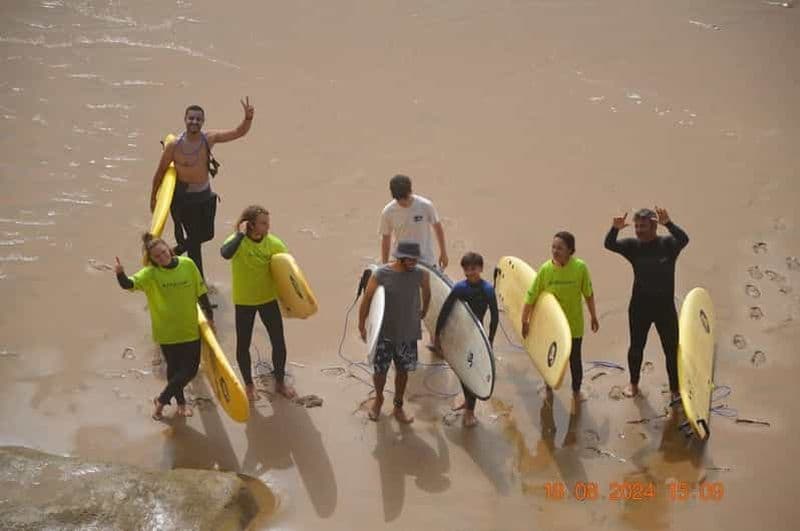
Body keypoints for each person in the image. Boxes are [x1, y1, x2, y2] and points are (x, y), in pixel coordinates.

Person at [149, 98, 255, 279]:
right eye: (191, 118)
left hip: (205, 197)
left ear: (203, 122)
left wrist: (248, 118)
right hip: (183, 200)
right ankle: (199, 286)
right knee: (195, 244)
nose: (194, 122)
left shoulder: (209, 139)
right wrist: (154, 198)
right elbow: (160, 173)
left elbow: (238, 133)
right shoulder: (174, 146)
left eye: (198, 119)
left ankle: (176, 250)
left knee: (207, 234)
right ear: (185, 119)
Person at [114, 233, 213, 420]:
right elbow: (128, 284)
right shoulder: (151, 274)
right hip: (167, 330)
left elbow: (201, 291)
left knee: (190, 369)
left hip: (189, 328)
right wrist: (120, 273)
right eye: (157, 257)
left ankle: (161, 400)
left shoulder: (188, 265)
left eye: (163, 252)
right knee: (174, 369)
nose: (162, 257)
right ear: (152, 260)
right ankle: (181, 404)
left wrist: (210, 316)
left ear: (168, 248)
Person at [604, 207, 689, 401]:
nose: (638, 230)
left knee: (670, 349)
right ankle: (633, 384)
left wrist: (668, 223)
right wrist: (615, 228)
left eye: (643, 226)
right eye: (636, 226)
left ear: (653, 226)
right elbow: (609, 244)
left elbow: (684, 239)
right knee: (636, 347)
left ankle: (675, 389)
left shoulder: (668, 245)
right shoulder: (633, 247)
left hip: (665, 308)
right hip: (639, 307)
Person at [220, 205, 295, 400]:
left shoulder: (274, 244)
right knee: (243, 344)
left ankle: (279, 382)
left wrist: (290, 300)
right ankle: (249, 385)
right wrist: (240, 234)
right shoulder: (236, 243)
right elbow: (225, 253)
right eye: (263, 223)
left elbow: (288, 273)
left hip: (268, 299)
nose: (267, 227)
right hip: (244, 301)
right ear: (250, 224)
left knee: (278, 342)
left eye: (268, 223)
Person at [358, 241, 431, 423]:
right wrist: (361, 323)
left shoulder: (421, 274)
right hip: (385, 332)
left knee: (403, 371)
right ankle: (379, 399)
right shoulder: (381, 274)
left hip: (407, 333)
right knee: (380, 371)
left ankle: (398, 406)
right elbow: (367, 299)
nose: (414, 261)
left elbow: (427, 292)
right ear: (400, 256)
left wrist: (424, 310)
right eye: (410, 258)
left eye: (416, 258)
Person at [521, 231, 599, 399]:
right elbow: (531, 296)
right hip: (551, 326)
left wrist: (593, 316)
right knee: (550, 357)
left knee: (575, 360)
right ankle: (548, 387)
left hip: (574, 324)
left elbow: (588, 294)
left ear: (570, 250)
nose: (555, 251)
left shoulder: (580, 268)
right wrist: (524, 320)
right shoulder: (545, 269)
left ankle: (576, 391)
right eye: (553, 247)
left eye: (560, 248)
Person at [433, 251, 499, 427]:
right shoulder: (460, 288)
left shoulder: (488, 290)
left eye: (474, 268)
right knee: (463, 370)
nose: (470, 272)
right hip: (460, 335)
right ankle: (468, 404)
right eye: (467, 269)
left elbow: (494, 317)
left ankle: (470, 411)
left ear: (481, 268)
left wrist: (490, 341)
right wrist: (437, 335)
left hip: (477, 338)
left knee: (472, 369)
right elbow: (445, 311)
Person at [378, 174, 448, 269]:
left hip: (427, 261)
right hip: (402, 263)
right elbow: (386, 238)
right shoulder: (388, 212)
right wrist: (384, 265)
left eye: (405, 198)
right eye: (399, 200)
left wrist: (443, 253)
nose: (403, 202)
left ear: (410, 191)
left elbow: (438, 228)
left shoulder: (425, 205)